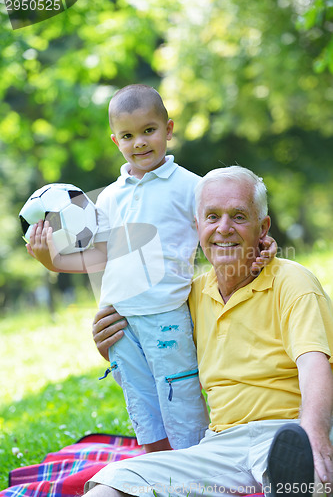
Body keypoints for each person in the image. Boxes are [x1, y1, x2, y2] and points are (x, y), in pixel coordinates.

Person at [26, 85, 275, 454]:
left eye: (149, 131)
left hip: (166, 314)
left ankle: (192, 466)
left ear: (169, 129)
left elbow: (218, 232)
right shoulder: (108, 197)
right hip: (119, 318)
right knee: (142, 403)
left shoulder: (191, 187)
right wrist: (52, 261)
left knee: (180, 395)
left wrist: (258, 245)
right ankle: (158, 468)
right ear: (115, 140)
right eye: (128, 136)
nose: (139, 143)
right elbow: (99, 256)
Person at [84, 166, 333, 497]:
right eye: (212, 216)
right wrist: (113, 347)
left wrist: (315, 438)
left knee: (307, 480)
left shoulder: (293, 282)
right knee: (112, 483)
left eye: (239, 216)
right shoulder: (186, 296)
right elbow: (160, 360)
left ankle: (298, 481)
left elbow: (315, 366)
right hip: (218, 447)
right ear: (196, 226)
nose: (224, 228)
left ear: (263, 227)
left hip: (287, 433)